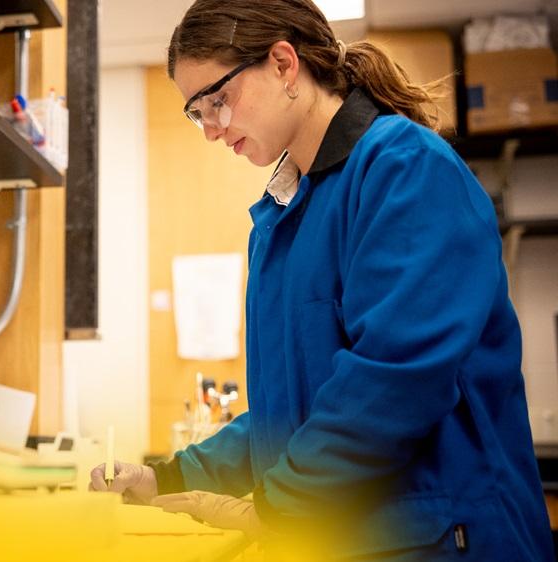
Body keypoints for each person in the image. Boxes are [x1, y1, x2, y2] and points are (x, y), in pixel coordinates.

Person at [89, 1, 556, 560]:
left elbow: (397, 379)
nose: (211, 130)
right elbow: (289, 413)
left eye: (217, 100)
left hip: (447, 538)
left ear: (284, 64)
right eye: (197, 113)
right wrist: (168, 477)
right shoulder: (280, 220)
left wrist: (277, 504)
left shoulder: (404, 170)